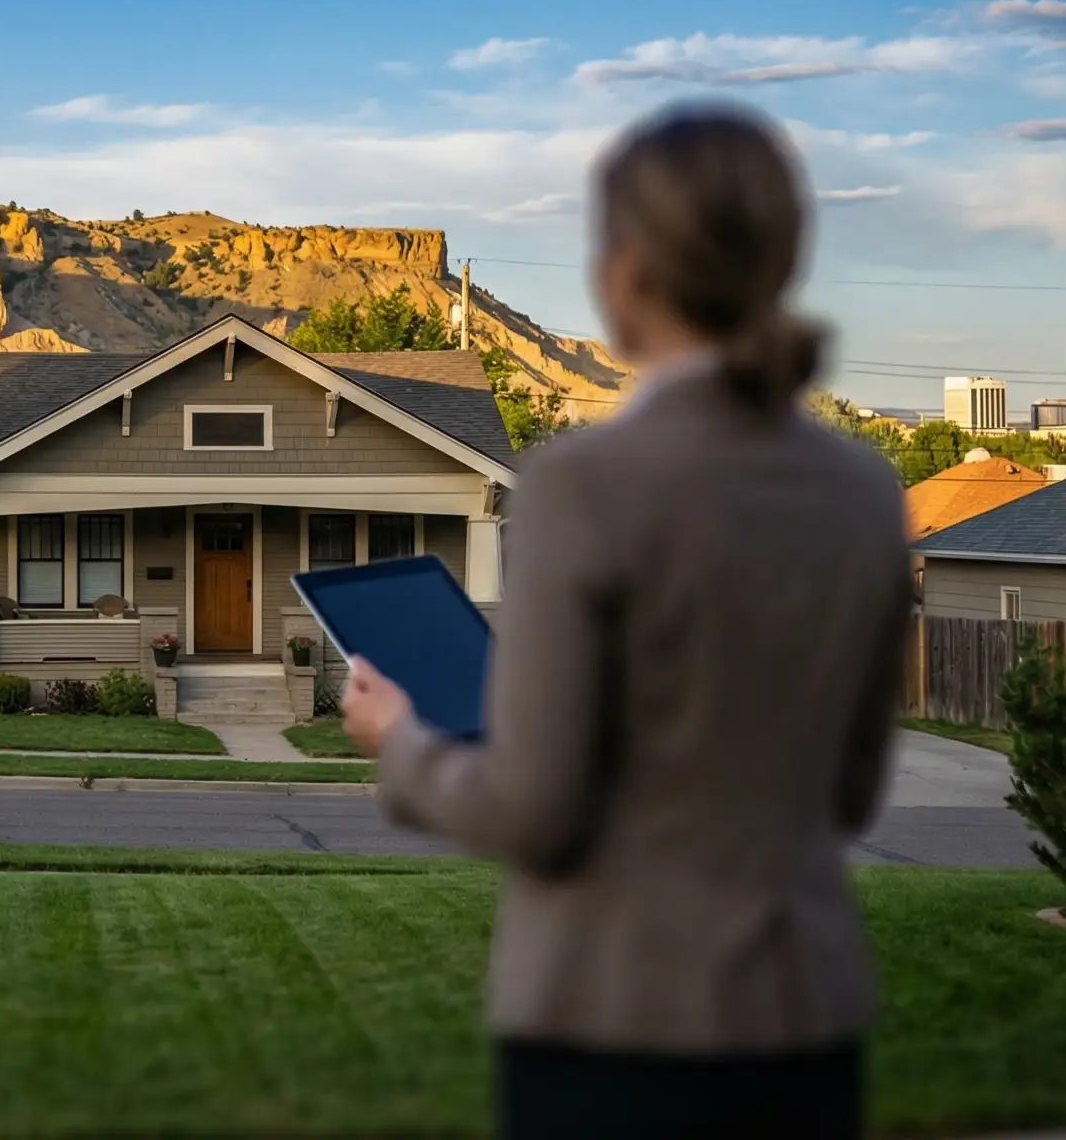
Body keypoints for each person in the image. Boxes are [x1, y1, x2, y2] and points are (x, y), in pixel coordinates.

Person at [341, 100, 911, 1139]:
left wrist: (400, 743)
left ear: (626, 271)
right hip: (805, 1023)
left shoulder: (587, 484)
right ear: (781, 257)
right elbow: (850, 791)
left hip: (612, 1024)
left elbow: (534, 813)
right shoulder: (864, 492)